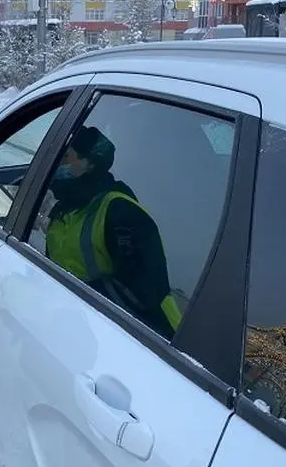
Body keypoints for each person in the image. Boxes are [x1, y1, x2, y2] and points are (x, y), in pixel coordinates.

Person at [43, 126, 182, 339]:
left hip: (143, 342)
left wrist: (80, 300)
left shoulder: (120, 213)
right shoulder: (66, 206)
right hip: (76, 327)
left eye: (66, 156)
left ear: (89, 163)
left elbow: (144, 298)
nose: (57, 163)